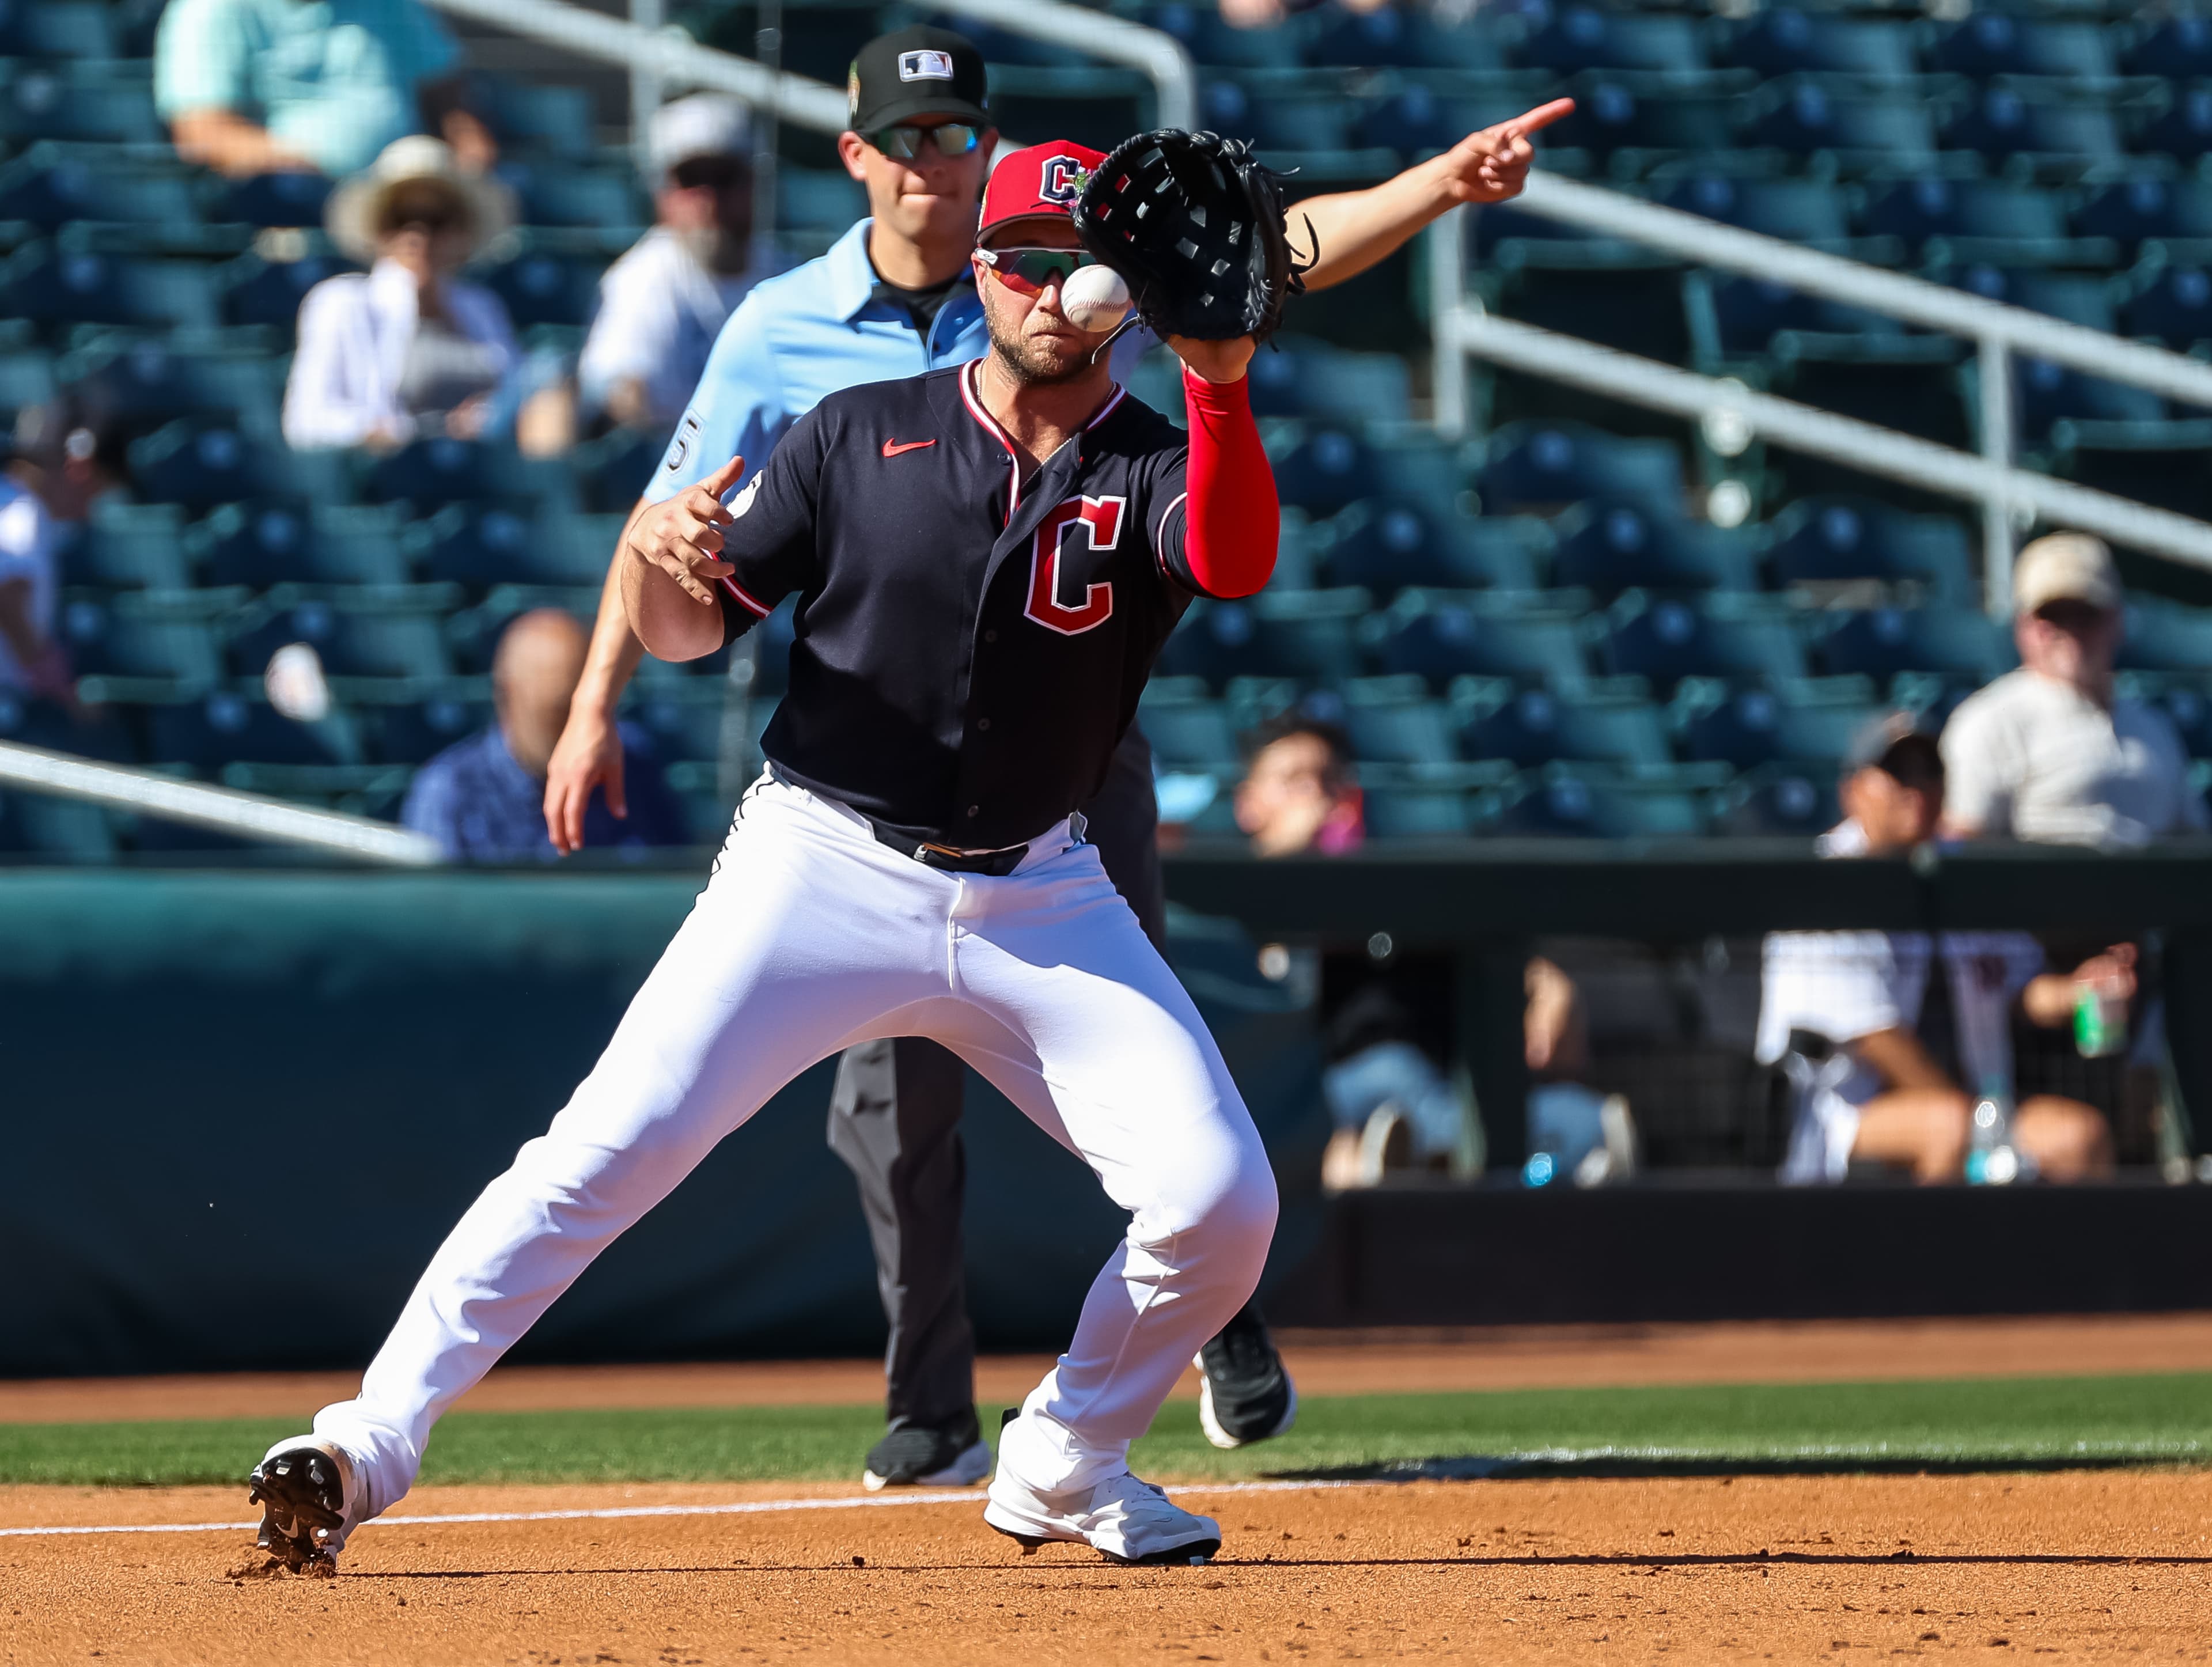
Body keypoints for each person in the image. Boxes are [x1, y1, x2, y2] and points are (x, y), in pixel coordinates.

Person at [539, 22, 1571, 1487]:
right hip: (873, 760)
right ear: (858, 156)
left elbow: (1271, 253)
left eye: (957, 131)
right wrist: (595, 701)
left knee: (1140, 1037)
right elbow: (663, 518)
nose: (934, 158)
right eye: (907, 138)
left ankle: (1211, 1305)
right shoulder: (780, 326)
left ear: (984, 145)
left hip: (1070, 737)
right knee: (892, 1103)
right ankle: (931, 1406)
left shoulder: (1077, 262)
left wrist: (1439, 186)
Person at [248, 137, 1283, 1573]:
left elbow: (1232, 559)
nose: (1052, 291)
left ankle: (1066, 1453)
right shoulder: (858, 432)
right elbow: (692, 630)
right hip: (822, 864)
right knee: (605, 1151)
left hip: (1038, 888)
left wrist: (1222, 380)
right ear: (981, 272)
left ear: (1128, 289)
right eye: (1024, 261)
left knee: (1223, 1202)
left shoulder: (1156, 453)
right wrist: (663, 567)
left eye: (1080, 267)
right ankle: (365, 1441)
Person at [1231, 715, 1610, 1186]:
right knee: (1378, 1094)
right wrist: (1292, 857)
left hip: (1433, 1081)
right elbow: (1253, 981)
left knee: (1579, 1116)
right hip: (1319, 1091)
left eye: (1329, 779)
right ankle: (1430, 1160)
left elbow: (1486, 950)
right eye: (1293, 780)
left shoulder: (1390, 889)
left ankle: (1418, 1159)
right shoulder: (1226, 904)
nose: (1316, 794)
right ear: (1248, 804)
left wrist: (1548, 986)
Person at [1758, 717, 2118, 1185]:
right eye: (1899, 773)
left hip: (1977, 1104)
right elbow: (1877, 1039)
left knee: (2079, 1138)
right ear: (1854, 791)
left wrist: (2078, 991)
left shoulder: (1961, 873)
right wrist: (1984, 1127)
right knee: (1947, 1126)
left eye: (1930, 773)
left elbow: (2021, 986)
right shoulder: (1824, 884)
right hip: (1844, 1118)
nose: (1918, 789)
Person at [1942, 532, 2207, 848]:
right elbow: (1963, 847)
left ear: (2116, 621)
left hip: (2152, 877)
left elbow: (2195, 841)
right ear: (2023, 627)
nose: (2069, 632)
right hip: (2044, 878)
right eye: (2052, 616)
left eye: (2085, 615)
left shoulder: (2153, 726)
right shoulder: (1990, 720)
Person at [282, 137, 521, 452]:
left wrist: (484, 419)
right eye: (399, 218)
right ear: (378, 229)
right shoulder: (341, 302)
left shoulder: (482, 306)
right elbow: (307, 420)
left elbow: (518, 394)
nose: (416, 235)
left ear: (461, 231)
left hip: (487, 461)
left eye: (436, 220)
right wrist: (411, 432)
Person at [402, 609, 684, 862]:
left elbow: (674, 879)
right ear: (506, 696)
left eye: (585, 712)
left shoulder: (632, 765)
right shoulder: (449, 792)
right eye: (557, 713)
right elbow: (435, 901)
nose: (576, 732)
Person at [577, 94, 784, 436]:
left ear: (752, 184)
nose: (709, 199)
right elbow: (620, 391)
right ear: (663, 194)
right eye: (691, 181)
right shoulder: (642, 276)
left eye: (723, 178)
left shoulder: (784, 270)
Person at [154, 0, 494, 179]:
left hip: (412, 203)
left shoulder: (393, 4)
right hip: (293, 212)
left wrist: (470, 166)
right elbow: (203, 132)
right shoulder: (210, 9)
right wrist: (312, 174)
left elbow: (451, 104)